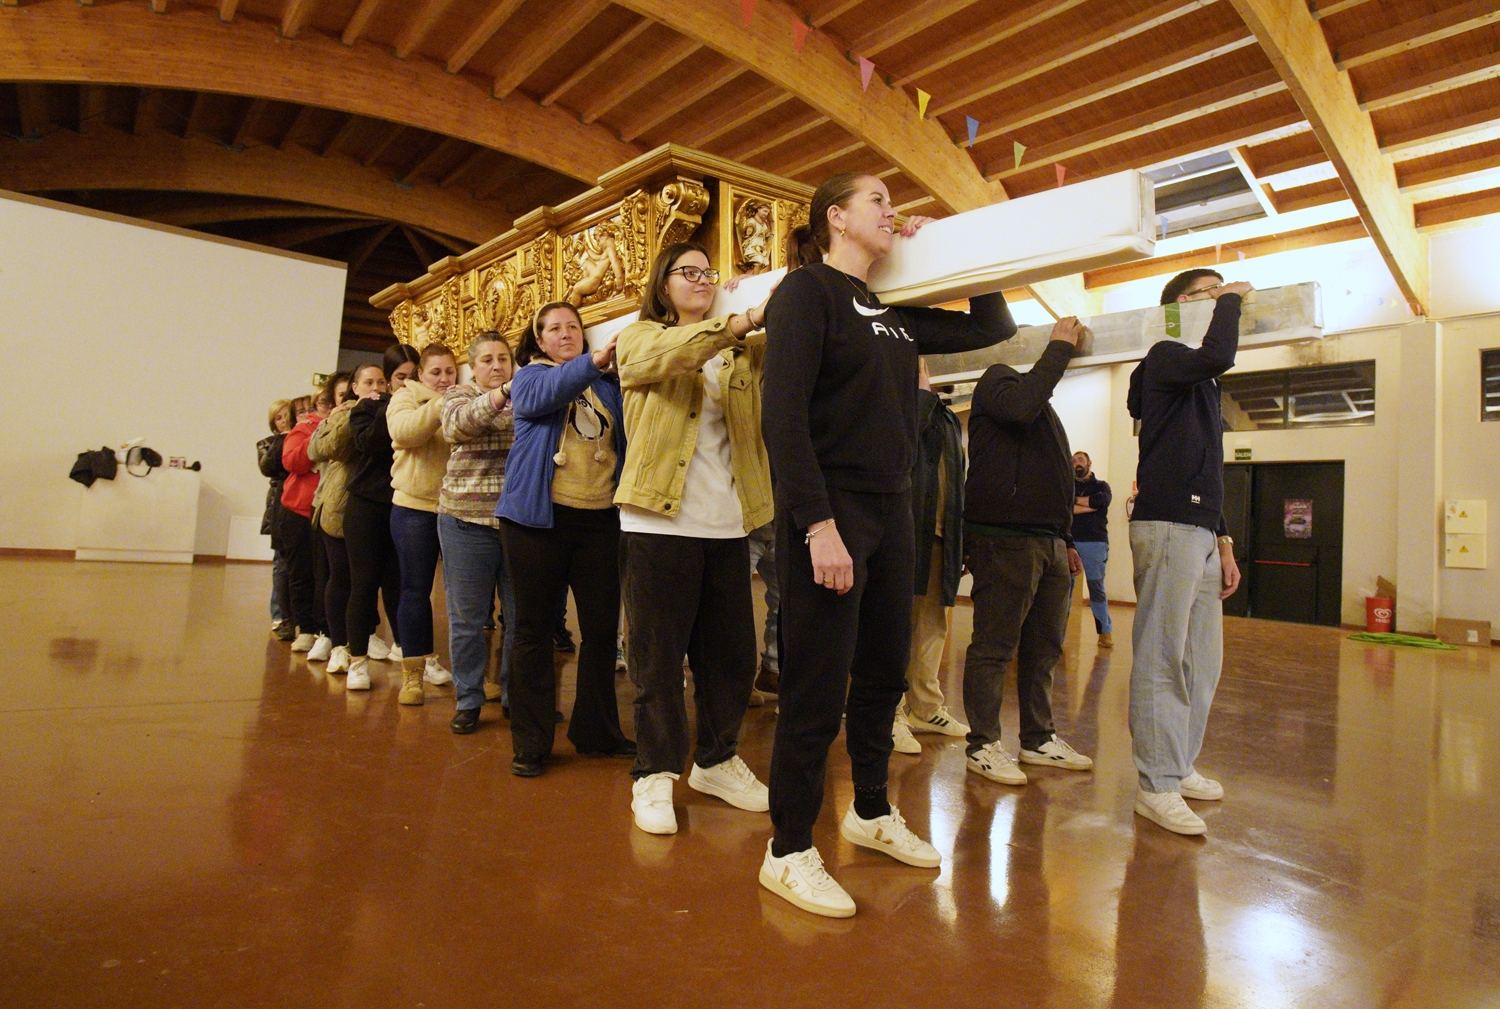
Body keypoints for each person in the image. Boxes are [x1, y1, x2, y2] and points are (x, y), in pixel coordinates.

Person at [758, 172, 1017, 918]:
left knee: (880, 673)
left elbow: (987, 324)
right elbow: (784, 416)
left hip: (892, 507)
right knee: (816, 682)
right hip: (830, 509)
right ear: (834, 216)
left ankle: (870, 809)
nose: (891, 209)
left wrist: (955, 246)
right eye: (876, 199)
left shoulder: (893, 313)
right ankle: (787, 848)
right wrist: (816, 524)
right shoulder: (808, 293)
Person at [614, 242, 776, 835]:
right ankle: (654, 773)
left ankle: (716, 760)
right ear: (663, 286)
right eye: (687, 271)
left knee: (732, 658)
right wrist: (741, 319)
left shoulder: (742, 354)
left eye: (708, 272)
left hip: (728, 523)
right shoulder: (641, 339)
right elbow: (671, 355)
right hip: (658, 520)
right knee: (658, 661)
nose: (700, 279)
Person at [1127, 268, 1248, 835]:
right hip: (1168, 520)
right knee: (1161, 655)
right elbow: (1217, 353)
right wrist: (1229, 305)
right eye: (1206, 291)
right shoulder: (1165, 355)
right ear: (1178, 307)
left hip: (1200, 527)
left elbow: (1212, 465)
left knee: (1203, 662)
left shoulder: (1202, 386)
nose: (1219, 297)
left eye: (1220, 291)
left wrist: (1224, 540)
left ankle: (1177, 765)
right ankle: (1155, 784)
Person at [497, 302, 634, 777]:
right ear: (538, 340)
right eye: (553, 328)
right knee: (533, 629)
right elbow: (541, 399)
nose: (565, 333)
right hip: (538, 521)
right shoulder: (529, 377)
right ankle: (532, 742)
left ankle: (596, 731)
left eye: (573, 326)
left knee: (600, 630)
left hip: (598, 521)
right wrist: (594, 361)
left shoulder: (605, 385)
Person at [962, 317, 1095, 788]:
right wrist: (1058, 348)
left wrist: (1068, 539)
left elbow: (1055, 479)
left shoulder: (1046, 414)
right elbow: (1020, 407)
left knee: (1044, 650)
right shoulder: (998, 380)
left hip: (1050, 543)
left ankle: (1038, 738)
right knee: (994, 646)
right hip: (1005, 539)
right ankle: (982, 744)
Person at [439, 332, 516, 734]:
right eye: (487, 359)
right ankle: (469, 699)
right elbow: (458, 427)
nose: (496, 365)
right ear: (472, 367)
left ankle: (513, 696)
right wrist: (502, 394)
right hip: (464, 523)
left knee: (520, 620)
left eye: (503, 358)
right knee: (467, 619)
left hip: (517, 525)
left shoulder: (525, 396)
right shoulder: (457, 396)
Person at [892, 359, 970, 756]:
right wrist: (919, 396)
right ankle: (891, 712)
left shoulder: (948, 417)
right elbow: (901, 450)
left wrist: (960, 539)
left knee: (932, 626)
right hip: (904, 532)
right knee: (894, 625)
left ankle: (926, 707)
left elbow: (958, 478)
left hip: (941, 535)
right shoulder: (896, 405)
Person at [387, 343, 458, 704]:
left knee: (464, 597)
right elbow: (404, 432)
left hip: (457, 508)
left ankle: (467, 674)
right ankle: (413, 673)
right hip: (414, 508)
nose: (444, 378)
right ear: (420, 374)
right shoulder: (404, 397)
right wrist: (439, 405)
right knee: (415, 589)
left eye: (449, 371)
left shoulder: (464, 396)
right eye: (436, 372)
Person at [343, 345, 416, 690]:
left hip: (404, 503)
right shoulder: (368, 409)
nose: (408, 383)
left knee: (400, 584)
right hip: (366, 504)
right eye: (401, 377)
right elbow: (368, 444)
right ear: (388, 380)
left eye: (414, 375)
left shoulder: (426, 405)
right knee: (363, 583)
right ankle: (357, 659)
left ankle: (409, 652)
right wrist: (393, 407)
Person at [308, 369, 372, 675]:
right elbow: (322, 449)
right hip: (336, 505)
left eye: (379, 382)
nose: (374, 389)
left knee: (363, 581)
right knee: (338, 577)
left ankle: (362, 637)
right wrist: (352, 413)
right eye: (367, 384)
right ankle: (335, 642)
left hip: (370, 504)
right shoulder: (344, 414)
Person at [279, 382, 330, 653]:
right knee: (301, 574)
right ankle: (305, 628)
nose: (327, 408)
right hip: (298, 511)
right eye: (322, 403)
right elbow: (293, 463)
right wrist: (319, 433)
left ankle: (326, 630)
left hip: (329, 511)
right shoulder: (303, 429)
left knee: (328, 575)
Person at [258, 399, 295, 642]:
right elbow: (270, 467)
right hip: (278, 507)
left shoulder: (300, 437)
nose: (284, 421)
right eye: (279, 418)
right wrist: (283, 439)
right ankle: (279, 614)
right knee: (279, 563)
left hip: (297, 507)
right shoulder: (267, 444)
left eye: (287, 416)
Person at [1072, 451, 1114, 648]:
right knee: (1064, 589)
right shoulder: (1068, 486)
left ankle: (1105, 632)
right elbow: (1065, 507)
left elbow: (1101, 501)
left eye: (1080, 459)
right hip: (1069, 543)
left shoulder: (1102, 486)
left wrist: (1076, 502)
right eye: (1073, 461)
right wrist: (1090, 505)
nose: (1076, 463)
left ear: (1089, 462)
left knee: (1096, 588)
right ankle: (1057, 633)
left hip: (1095, 543)